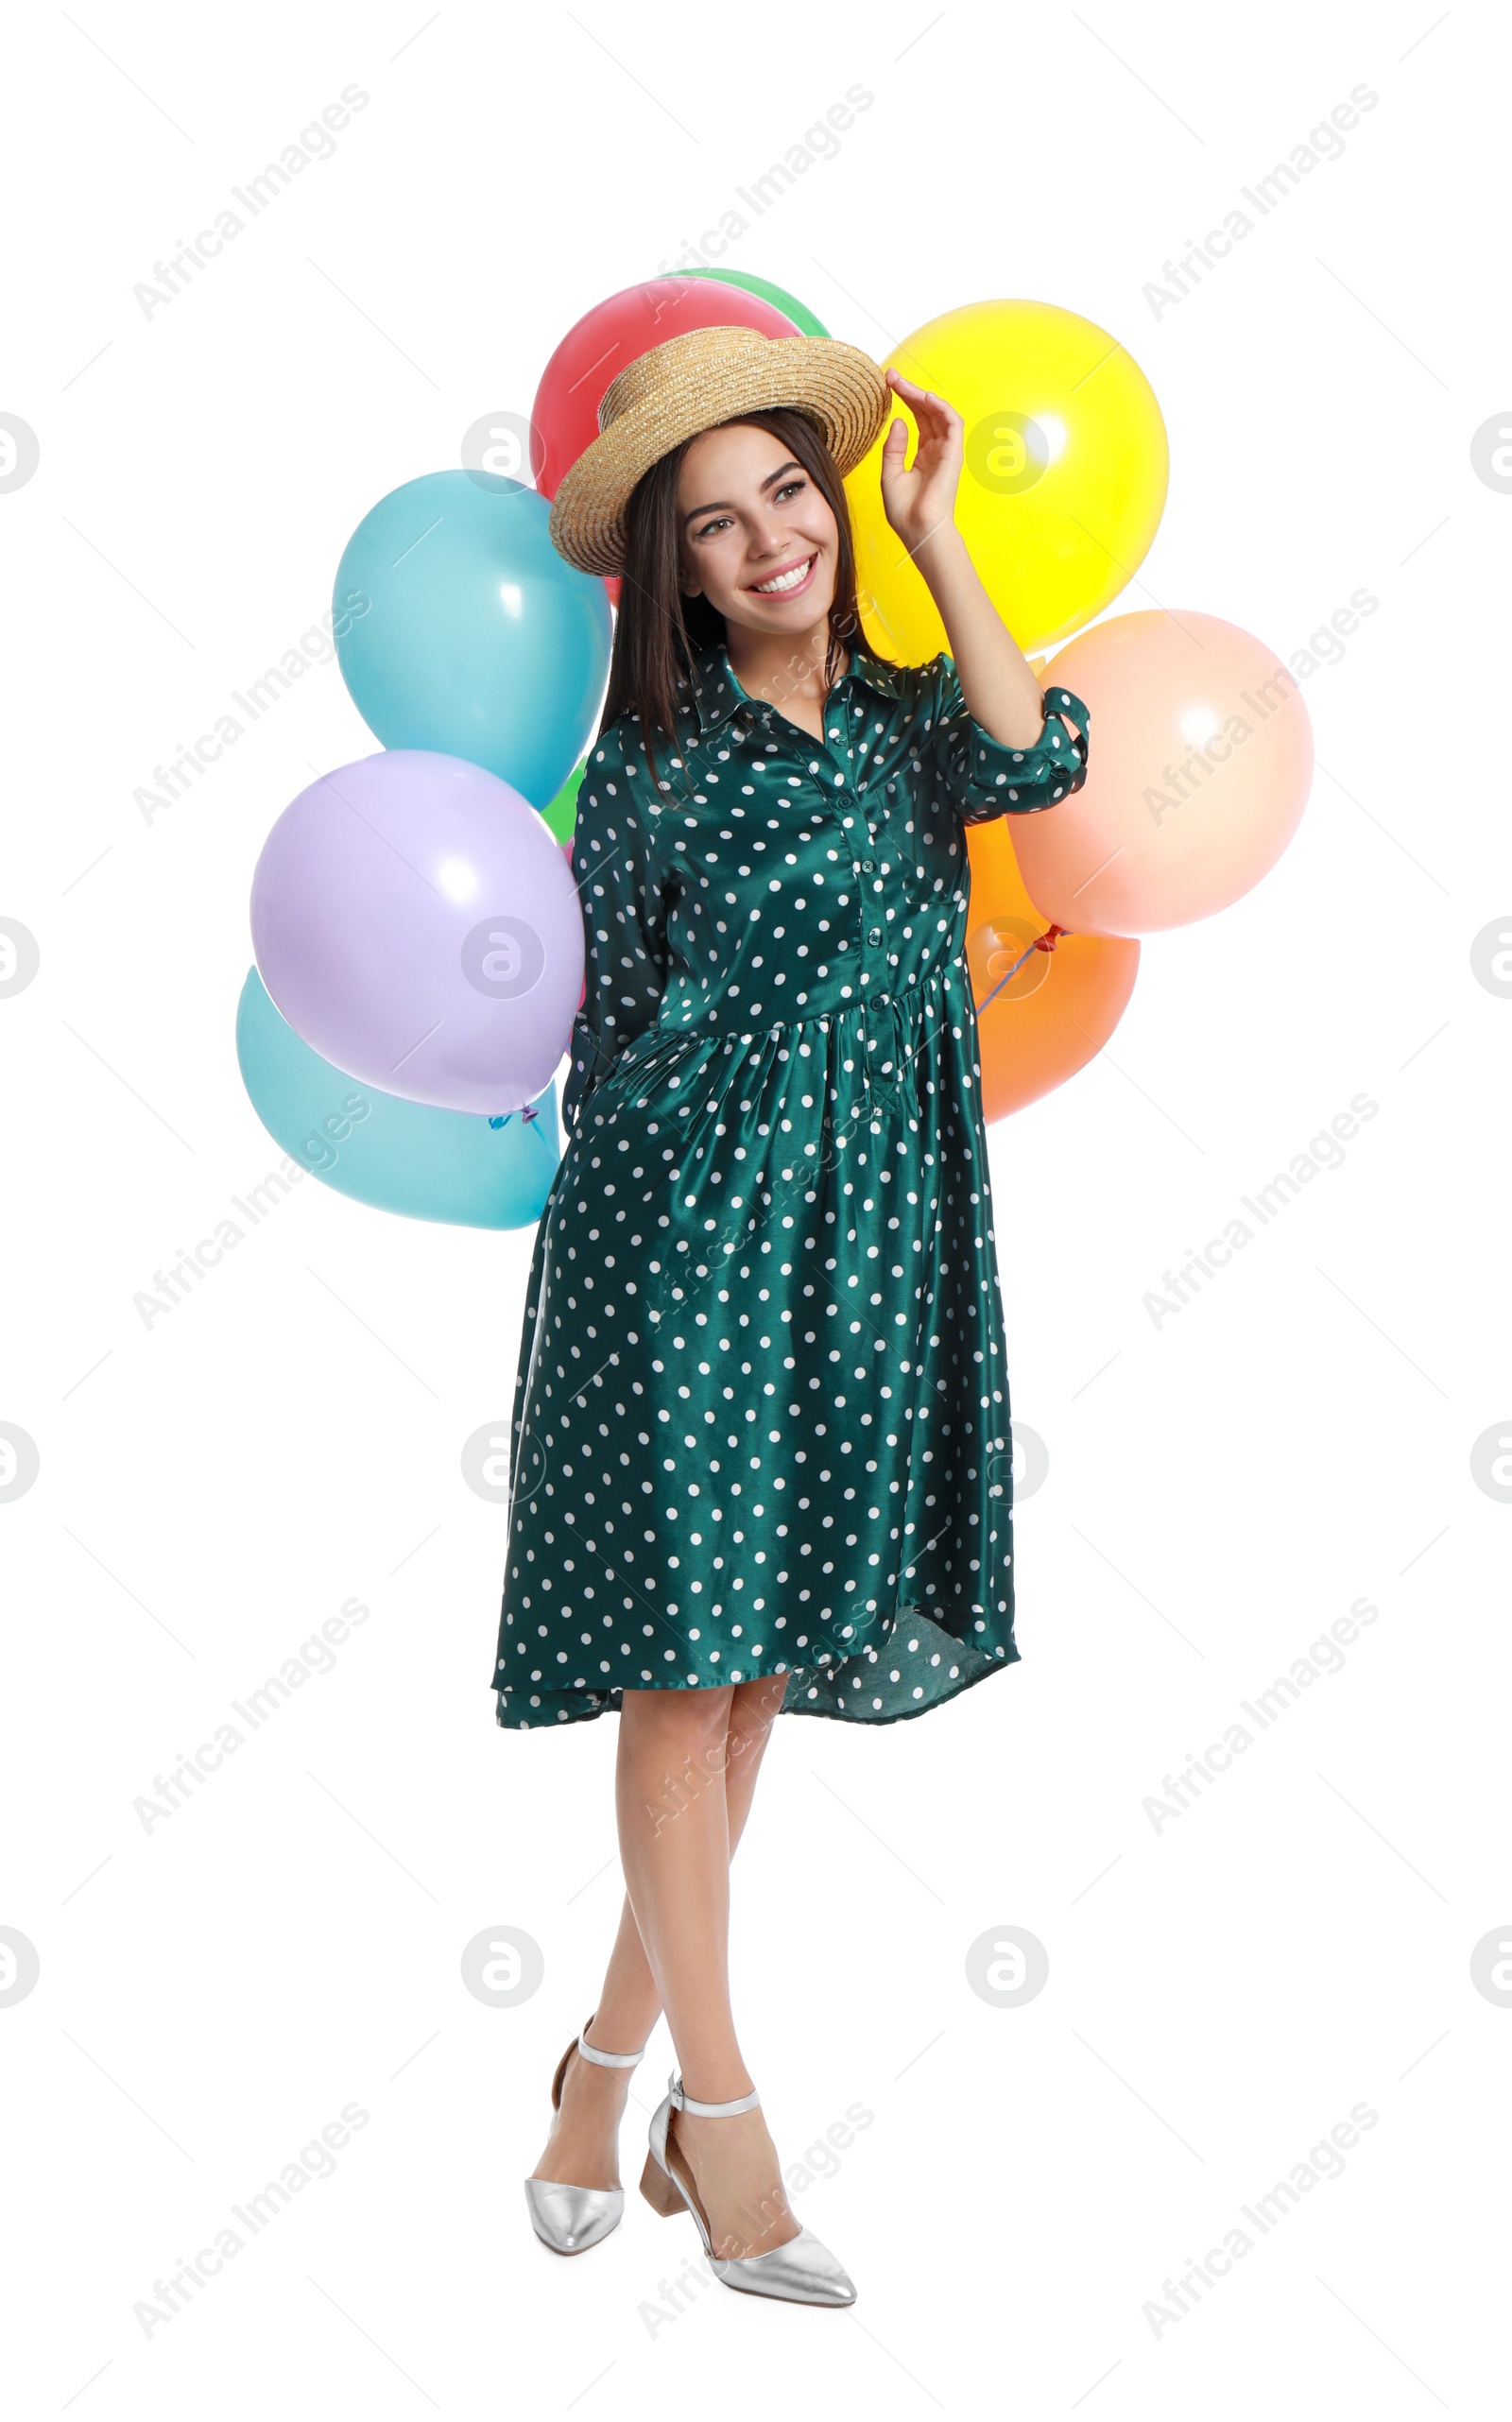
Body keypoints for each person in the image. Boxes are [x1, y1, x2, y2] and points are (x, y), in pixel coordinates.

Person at [500, 323, 1091, 2305]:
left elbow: (1035, 753)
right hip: (676, 1249)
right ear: (667, 571)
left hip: (868, 1246)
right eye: (714, 524)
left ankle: (598, 2077)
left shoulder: (909, 718)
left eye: (786, 497)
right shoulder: (649, 772)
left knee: (748, 1685)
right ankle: (726, 2132)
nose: (765, 543)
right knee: (686, 1677)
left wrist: (932, 529)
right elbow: (588, 1033)